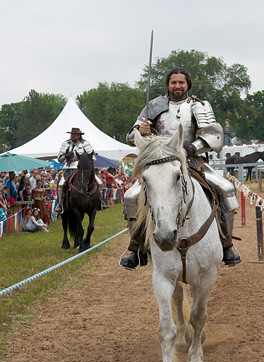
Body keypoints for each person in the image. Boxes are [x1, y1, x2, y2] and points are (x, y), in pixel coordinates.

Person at [120, 67, 241, 269]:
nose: (177, 86)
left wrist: (189, 149)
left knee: (226, 189)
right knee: (131, 197)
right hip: (159, 164)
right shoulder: (154, 105)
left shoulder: (199, 106)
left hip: (192, 161)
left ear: (188, 85)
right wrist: (140, 131)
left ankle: (226, 243)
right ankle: (137, 248)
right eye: (173, 82)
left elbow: (213, 136)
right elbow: (131, 137)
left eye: (181, 82)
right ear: (168, 84)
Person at [54, 127, 107, 213]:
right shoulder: (66, 144)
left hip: (83, 168)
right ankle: (60, 204)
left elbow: (93, 156)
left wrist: (85, 159)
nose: (73, 136)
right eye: (72, 134)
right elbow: (59, 159)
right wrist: (66, 156)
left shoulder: (85, 143)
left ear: (79, 135)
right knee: (60, 184)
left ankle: (101, 201)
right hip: (69, 167)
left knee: (99, 182)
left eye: (75, 134)